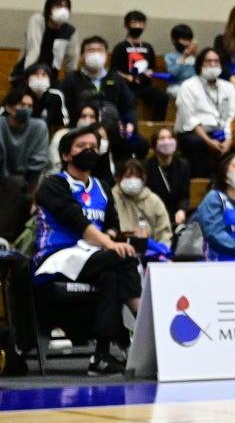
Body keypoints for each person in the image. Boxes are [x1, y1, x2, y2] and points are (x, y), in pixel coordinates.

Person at [31, 128, 143, 374]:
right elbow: (77, 221)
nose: (89, 151)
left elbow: (112, 224)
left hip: (94, 257)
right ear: (66, 155)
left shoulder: (102, 187)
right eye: (82, 146)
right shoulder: (53, 184)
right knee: (121, 258)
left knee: (111, 275)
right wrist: (109, 244)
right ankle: (145, 318)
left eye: (93, 146)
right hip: (57, 257)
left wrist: (110, 238)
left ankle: (101, 357)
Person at [174, 46, 235, 178]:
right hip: (194, 133)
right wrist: (208, 141)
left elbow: (232, 116)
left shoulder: (228, 87)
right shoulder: (188, 86)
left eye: (216, 61)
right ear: (200, 64)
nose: (213, 64)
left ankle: (228, 181)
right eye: (208, 61)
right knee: (195, 144)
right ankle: (202, 182)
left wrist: (228, 140)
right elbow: (189, 120)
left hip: (220, 131)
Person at [0, 89, 52, 240]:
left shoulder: (39, 127)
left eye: (30, 106)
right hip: (2, 182)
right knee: (14, 183)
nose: (27, 109)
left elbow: (37, 167)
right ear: (9, 108)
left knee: (28, 198)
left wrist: (33, 197)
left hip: (24, 186)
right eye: (22, 105)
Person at [110, 10, 164, 121]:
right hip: (126, 85)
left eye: (141, 23)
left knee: (162, 97)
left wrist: (147, 74)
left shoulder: (148, 47)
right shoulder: (120, 47)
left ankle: (157, 126)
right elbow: (114, 70)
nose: (138, 26)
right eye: (134, 23)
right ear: (126, 25)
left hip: (145, 85)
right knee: (128, 99)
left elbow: (151, 67)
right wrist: (127, 77)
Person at [111, 156, 172, 246]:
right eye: (128, 176)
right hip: (119, 249)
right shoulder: (111, 199)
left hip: (150, 251)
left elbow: (164, 232)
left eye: (136, 176)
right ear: (119, 178)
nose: (132, 180)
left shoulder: (153, 200)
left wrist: (161, 252)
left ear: (143, 178)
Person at [18, 0, 77, 82]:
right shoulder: (38, 20)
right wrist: (29, 75)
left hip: (51, 76)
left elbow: (72, 59)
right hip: (27, 72)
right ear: (49, 8)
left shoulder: (70, 31)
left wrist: (71, 82)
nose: (62, 10)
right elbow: (33, 49)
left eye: (66, 7)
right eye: (58, 6)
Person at [144, 128, 192, 227]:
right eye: (162, 138)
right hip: (154, 217)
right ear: (155, 144)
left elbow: (184, 195)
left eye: (170, 138)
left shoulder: (183, 165)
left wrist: (182, 210)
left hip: (177, 217)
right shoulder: (146, 167)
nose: (167, 141)